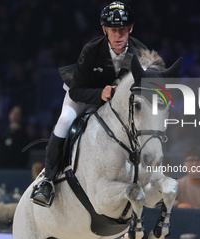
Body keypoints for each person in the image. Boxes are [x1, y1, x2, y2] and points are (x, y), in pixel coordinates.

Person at [31, 1, 147, 207]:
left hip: (116, 102)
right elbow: (76, 90)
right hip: (84, 93)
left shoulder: (140, 52)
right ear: (105, 30)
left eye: (123, 29)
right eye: (113, 30)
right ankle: (47, 180)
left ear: (131, 28)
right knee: (65, 120)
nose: (118, 35)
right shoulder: (91, 50)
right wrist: (98, 94)